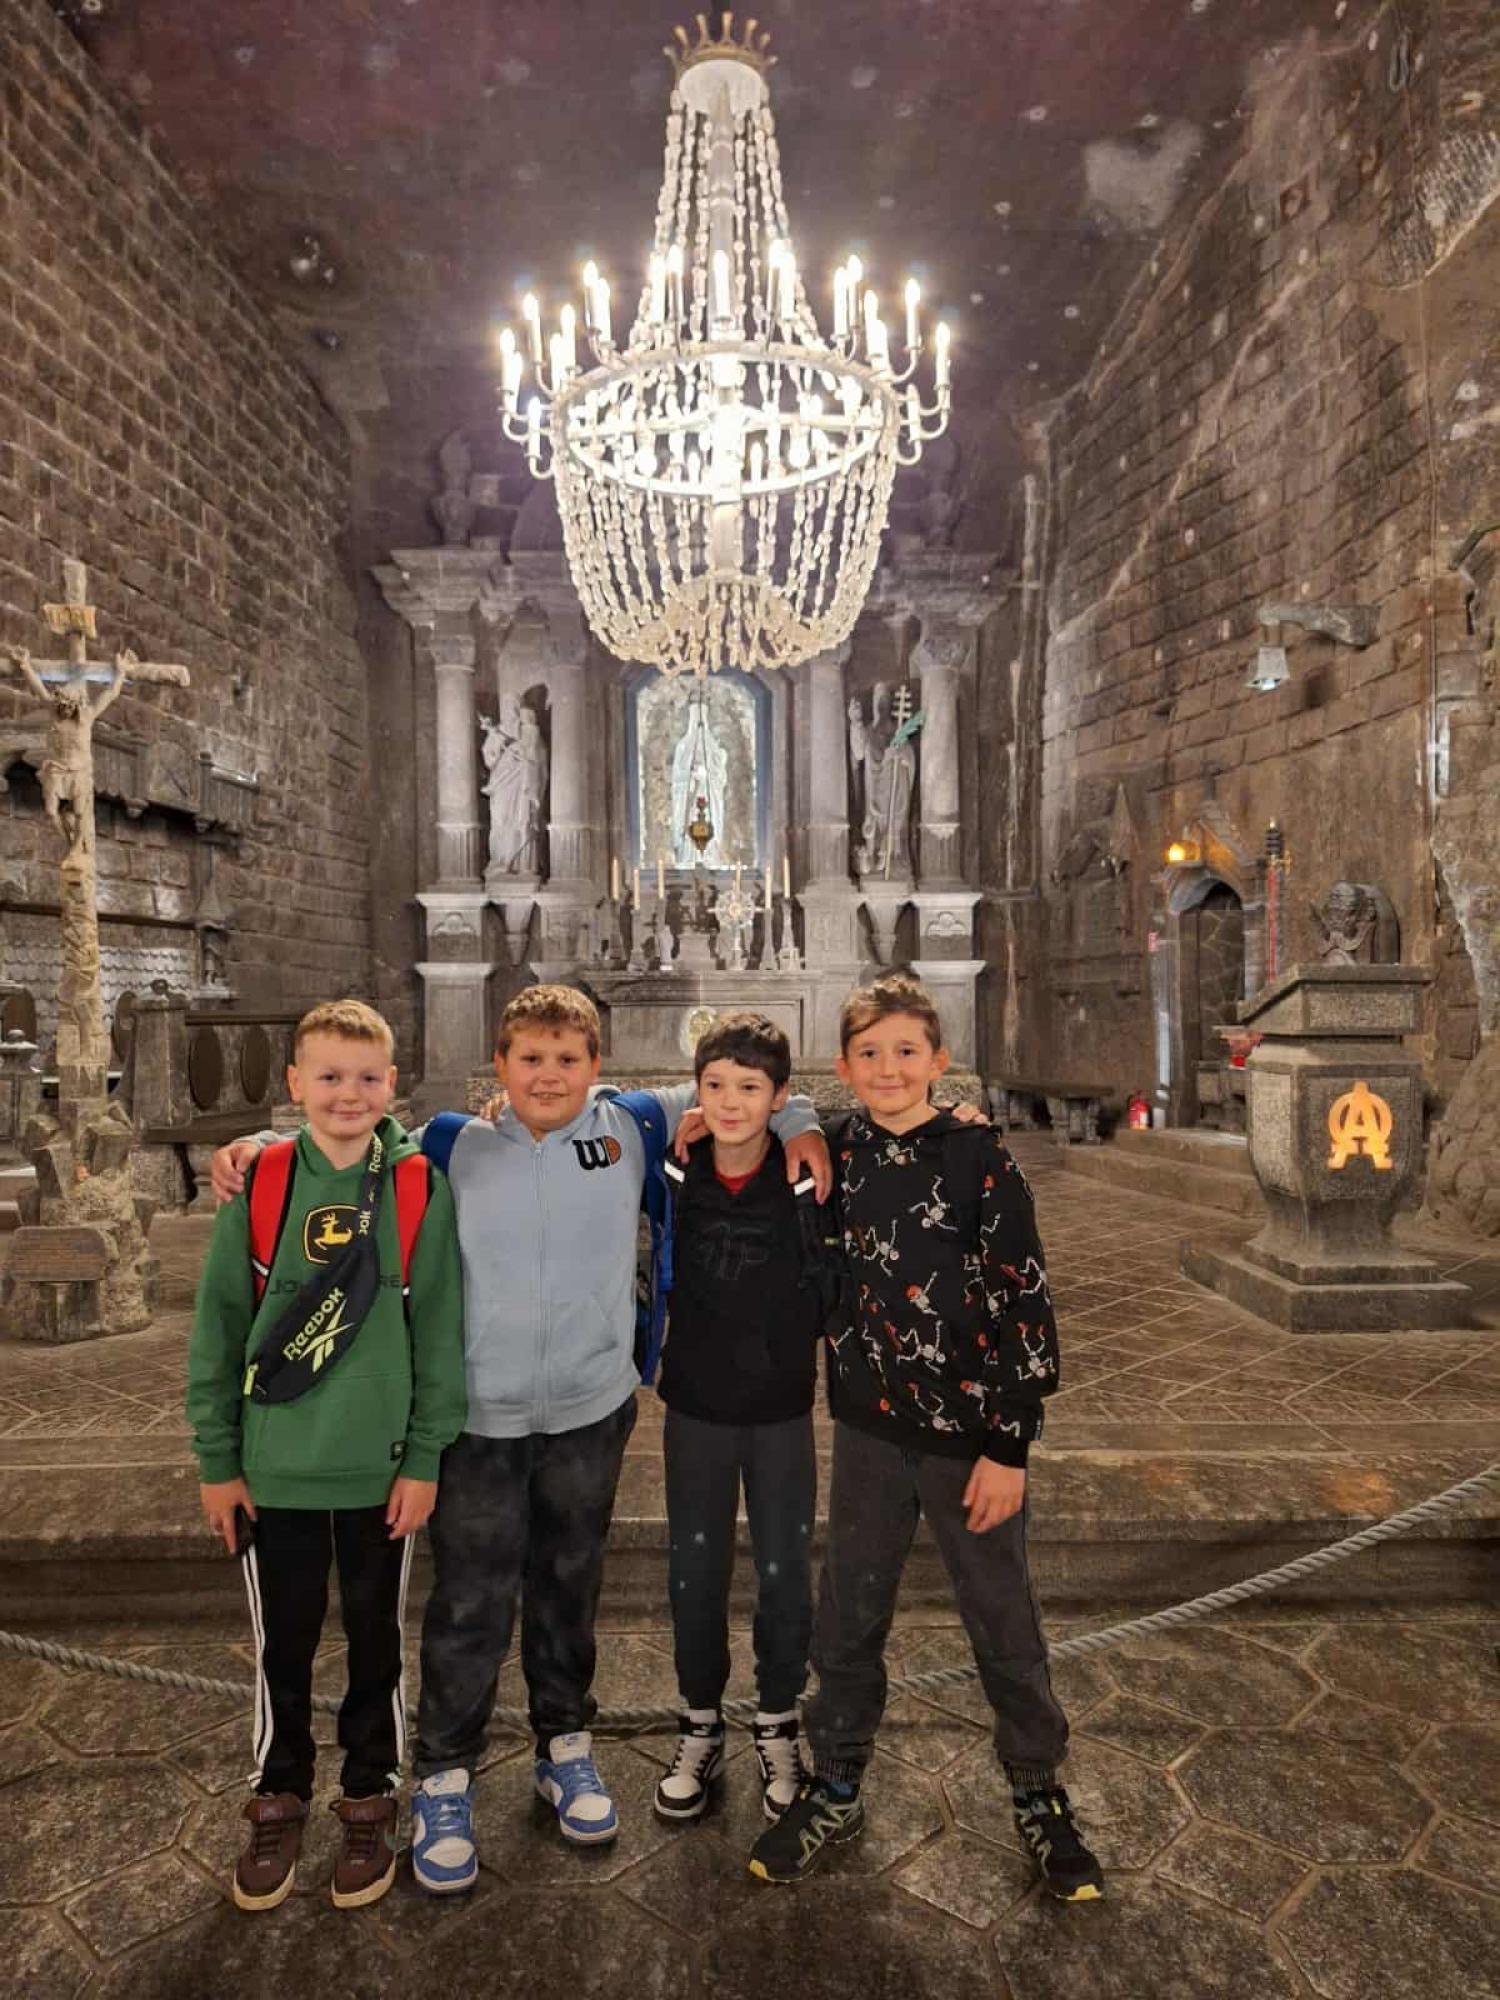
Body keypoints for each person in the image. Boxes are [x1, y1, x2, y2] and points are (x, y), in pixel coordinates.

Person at [210, 984, 829, 1893]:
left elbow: (750, 1090)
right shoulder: (452, 1143)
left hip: (589, 1408)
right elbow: (353, 1144)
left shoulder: (631, 1128)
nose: (548, 1075)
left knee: (570, 1586)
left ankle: (563, 1743)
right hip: (480, 1417)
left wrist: (805, 1119)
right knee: (469, 1597)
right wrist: (256, 1149)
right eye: (530, 1059)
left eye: (568, 1060)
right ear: (498, 1066)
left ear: (597, 1068)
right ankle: (446, 1772)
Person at [746, 974, 1104, 1901]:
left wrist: (1010, 1446)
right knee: (848, 1617)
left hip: (971, 1439)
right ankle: (835, 1780)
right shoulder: (837, 1151)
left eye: (906, 1051)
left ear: (938, 1060)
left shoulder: (980, 1158)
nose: (889, 1067)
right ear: (843, 1067)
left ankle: (1038, 1788)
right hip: (869, 1432)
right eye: (869, 1054)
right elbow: (763, 1130)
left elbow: (1025, 1298)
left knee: (1002, 1618)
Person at [187, 1000, 466, 1914]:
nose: (350, 1093)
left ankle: (369, 1792)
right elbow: (218, 1329)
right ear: (295, 1083)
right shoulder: (263, 1182)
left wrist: (425, 1456)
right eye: (330, 1076)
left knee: (378, 1640)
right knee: (285, 1644)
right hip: (276, 1469)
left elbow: (439, 1331)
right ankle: (280, 1791)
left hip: (380, 1470)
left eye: (368, 1077)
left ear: (394, 1083)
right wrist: (217, 1461)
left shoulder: (418, 1185)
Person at [652, 1012, 840, 1825]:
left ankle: (776, 1719)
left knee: (783, 1572)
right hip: (695, 1406)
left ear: (780, 1096)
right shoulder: (672, 1164)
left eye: (751, 1089)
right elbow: (588, 1104)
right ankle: (699, 1721)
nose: (731, 1103)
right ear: (696, 1090)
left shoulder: (808, 1174)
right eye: (716, 1086)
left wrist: (804, 1125)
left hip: (780, 1411)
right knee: (694, 1572)